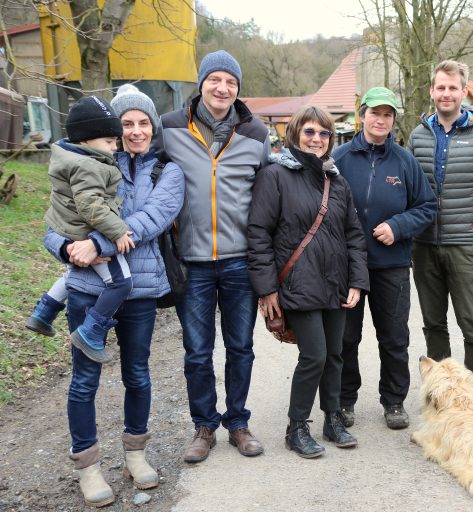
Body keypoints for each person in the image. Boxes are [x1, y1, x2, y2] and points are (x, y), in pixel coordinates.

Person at [43, 84, 184, 507]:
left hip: (138, 291)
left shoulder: (166, 171)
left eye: (144, 123)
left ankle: (135, 456)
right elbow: (54, 222)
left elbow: (152, 219)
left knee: (137, 375)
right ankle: (88, 467)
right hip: (87, 289)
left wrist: (98, 245)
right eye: (127, 124)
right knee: (84, 381)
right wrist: (66, 248)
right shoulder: (89, 162)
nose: (137, 131)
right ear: (113, 129)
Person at [154, 50, 270, 462]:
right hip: (192, 261)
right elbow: (143, 174)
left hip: (241, 260)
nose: (223, 88)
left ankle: (238, 422)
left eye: (231, 82)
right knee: (197, 351)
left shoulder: (256, 133)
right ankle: (204, 425)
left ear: (238, 89)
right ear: (201, 83)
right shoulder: (169, 128)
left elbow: (270, 187)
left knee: (240, 346)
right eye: (215, 80)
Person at [247, 105, 369, 459]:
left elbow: (354, 235)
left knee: (335, 354)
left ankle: (332, 419)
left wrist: (357, 282)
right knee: (314, 355)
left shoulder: (337, 180)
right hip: (297, 283)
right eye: (310, 132)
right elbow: (258, 234)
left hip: (335, 282)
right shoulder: (274, 176)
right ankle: (296, 427)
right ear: (295, 135)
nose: (317, 139)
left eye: (324, 133)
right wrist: (267, 288)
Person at [333, 87, 437, 429]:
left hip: (391, 265)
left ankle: (393, 401)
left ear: (394, 120)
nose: (381, 120)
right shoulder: (341, 158)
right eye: (375, 113)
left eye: (388, 114)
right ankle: (344, 401)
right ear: (362, 114)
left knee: (393, 337)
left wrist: (398, 225)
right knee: (346, 338)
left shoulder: (404, 161)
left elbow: (426, 206)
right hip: (348, 266)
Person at [408, 60, 473, 388]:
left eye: (453, 88)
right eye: (441, 87)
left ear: (464, 91)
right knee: (433, 322)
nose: (446, 93)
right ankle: (441, 385)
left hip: (466, 244)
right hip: (424, 246)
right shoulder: (418, 135)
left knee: (472, 322)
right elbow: (407, 191)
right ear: (432, 91)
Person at [28, 96, 135, 364]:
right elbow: (91, 207)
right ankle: (91, 331)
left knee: (71, 272)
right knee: (121, 282)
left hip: (67, 229)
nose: (114, 147)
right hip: (85, 231)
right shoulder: (89, 165)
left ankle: (44, 311)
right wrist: (118, 231)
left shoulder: (69, 156)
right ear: (87, 140)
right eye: (109, 142)